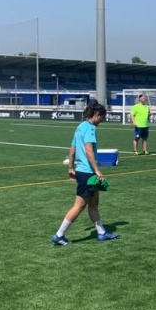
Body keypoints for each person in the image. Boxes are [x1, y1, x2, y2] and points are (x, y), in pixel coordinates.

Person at [51, 101, 118, 246]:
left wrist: (70, 167)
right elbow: (88, 150)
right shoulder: (90, 128)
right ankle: (59, 235)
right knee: (79, 206)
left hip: (83, 171)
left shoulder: (80, 127)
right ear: (96, 115)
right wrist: (98, 170)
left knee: (94, 203)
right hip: (88, 173)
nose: (102, 120)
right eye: (102, 117)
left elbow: (72, 149)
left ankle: (101, 233)